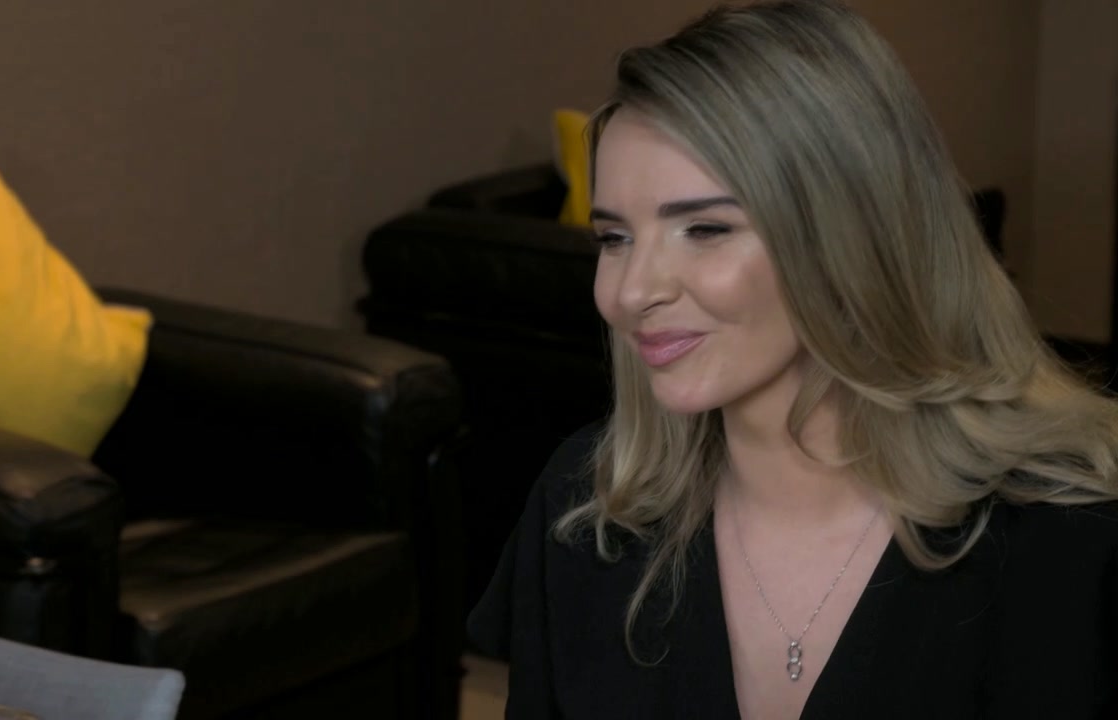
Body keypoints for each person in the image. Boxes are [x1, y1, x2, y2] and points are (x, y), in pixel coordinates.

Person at [465, 1, 1118, 718]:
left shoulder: (1072, 541)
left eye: (705, 229)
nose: (631, 291)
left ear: (851, 233)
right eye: (614, 238)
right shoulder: (584, 511)